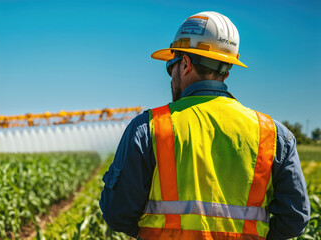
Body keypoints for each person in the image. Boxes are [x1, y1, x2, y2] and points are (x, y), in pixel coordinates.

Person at [100, 11, 310, 240]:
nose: (171, 75)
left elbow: (117, 214)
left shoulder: (148, 128)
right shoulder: (274, 135)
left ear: (186, 63)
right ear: (227, 70)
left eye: (171, 65)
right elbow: (294, 219)